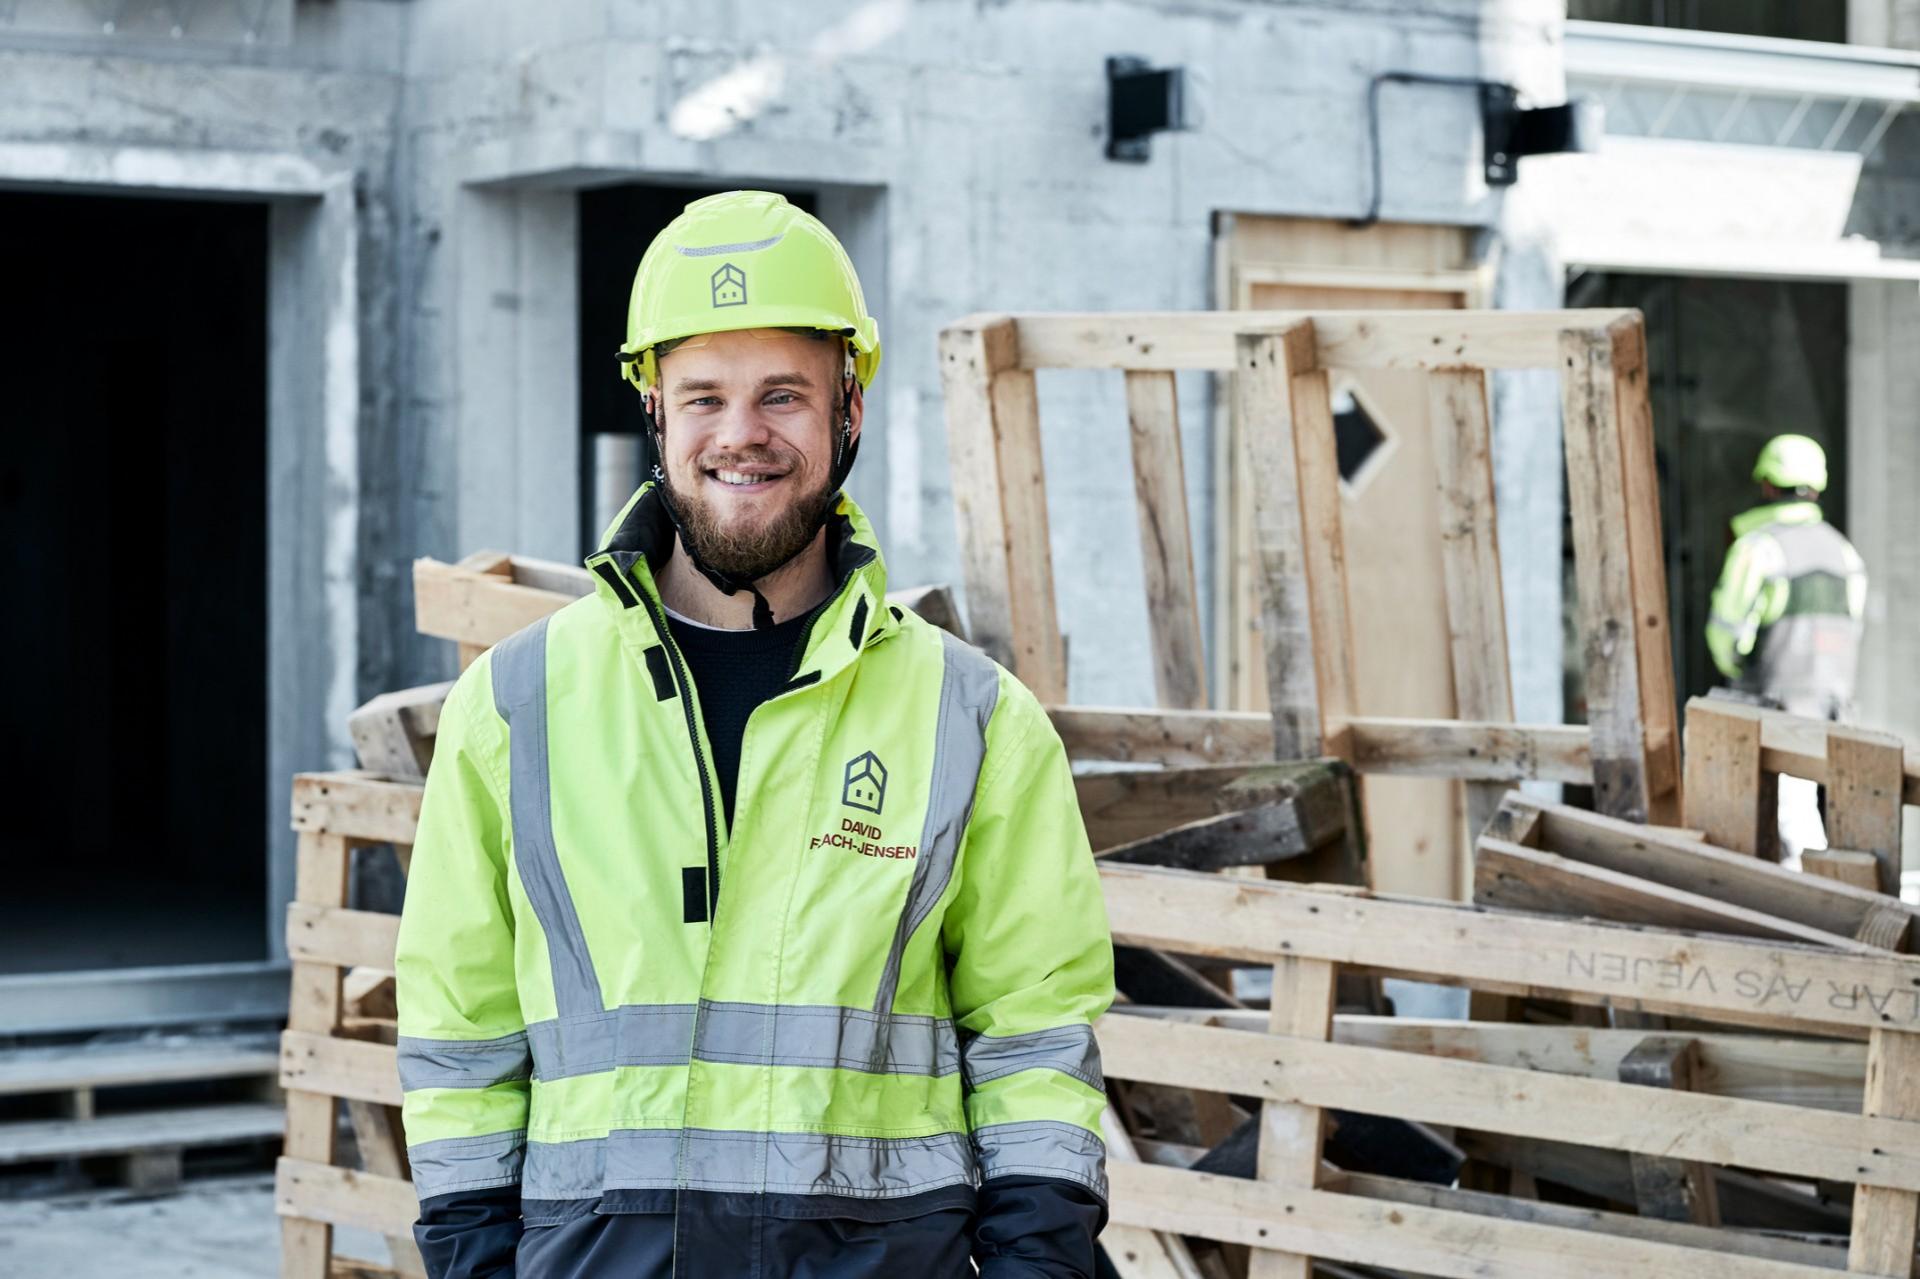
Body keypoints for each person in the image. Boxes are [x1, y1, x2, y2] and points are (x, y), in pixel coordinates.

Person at [393, 190, 1115, 1279]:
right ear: (653, 409)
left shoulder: (974, 719)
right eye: (704, 398)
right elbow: (461, 1040)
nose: (741, 435)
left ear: (851, 407)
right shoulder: (513, 708)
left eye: (783, 394)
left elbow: (1036, 1042)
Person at [1705, 432, 1867, 861]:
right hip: (1835, 703)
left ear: (1766, 484)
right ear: (1818, 486)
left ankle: (1801, 911)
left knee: (1787, 823)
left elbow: (1726, 630)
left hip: (1774, 701)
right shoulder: (1843, 552)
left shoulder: (1757, 548)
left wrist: (1736, 669)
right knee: (1834, 815)